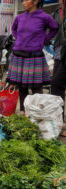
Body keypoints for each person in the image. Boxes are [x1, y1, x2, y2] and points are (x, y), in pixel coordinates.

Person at [6, 0, 58, 113]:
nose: (23, 3)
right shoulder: (19, 17)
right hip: (18, 55)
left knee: (36, 87)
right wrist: (18, 39)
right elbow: (14, 29)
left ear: (35, 1)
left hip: (34, 56)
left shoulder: (45, 17)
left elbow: (54, 28)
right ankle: (23, 111)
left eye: (26, 0)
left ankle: (37, 112)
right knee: (21, 86)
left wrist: (44, 40)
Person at [51, 0, 66, 135]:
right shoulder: (56, 12)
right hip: (58, 52)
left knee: (56, 84)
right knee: (56, 85)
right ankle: (58, 119)